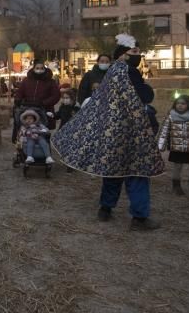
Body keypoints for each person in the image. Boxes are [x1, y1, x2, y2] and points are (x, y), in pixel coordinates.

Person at [52, 34, 165, 231]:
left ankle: (105, 209)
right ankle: (139, 218)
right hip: (132, 131)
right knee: (136, 171)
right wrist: (148, 89)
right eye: (135, 52)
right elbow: (145, 96)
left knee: (112, 169)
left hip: (112, 131)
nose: (139, 55)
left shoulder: (112, 73)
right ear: (123, 55)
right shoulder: (130, 72)